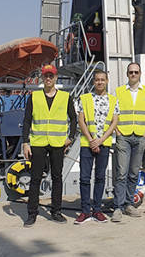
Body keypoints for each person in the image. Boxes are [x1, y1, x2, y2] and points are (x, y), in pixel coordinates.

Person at [21, 64, 78, 228]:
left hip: (58, 143)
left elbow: (73, 119)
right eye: (46, 76)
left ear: (55, 77)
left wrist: (70, 138)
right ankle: (32, 213)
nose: (48, 78)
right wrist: (26, 142)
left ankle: (56, 212)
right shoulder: (34, 96)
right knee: (35, 178)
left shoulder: (65, 97)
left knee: (57, 178)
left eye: (51, 76)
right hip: (38, 143)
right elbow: (26, 121)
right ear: (42, 78)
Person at [112, 62, 145, 222]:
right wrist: (117, 131)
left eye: (136, 72)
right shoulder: (119, 91)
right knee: (121, 172)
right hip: (123, 135)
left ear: (140, 73)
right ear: (127, 74)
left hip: (139, 136)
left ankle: (129, 204)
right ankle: (118, 206)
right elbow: (113, 113)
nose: (133, 74)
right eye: (131, 72)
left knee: (133, 172)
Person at [75, 70, 119, 225]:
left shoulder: (113, 100)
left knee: (100, 178)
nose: (100, 82)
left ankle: (97, 210)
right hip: (87, 144)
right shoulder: (84, 98)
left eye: (102, 79)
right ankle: (85, 211)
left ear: (107, 81)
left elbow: (114, 122)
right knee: (84, 178)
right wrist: (91, 140)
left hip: (104, 143)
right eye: (97, 80)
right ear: (93, 82)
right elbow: (81, 120)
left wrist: (100, 141)